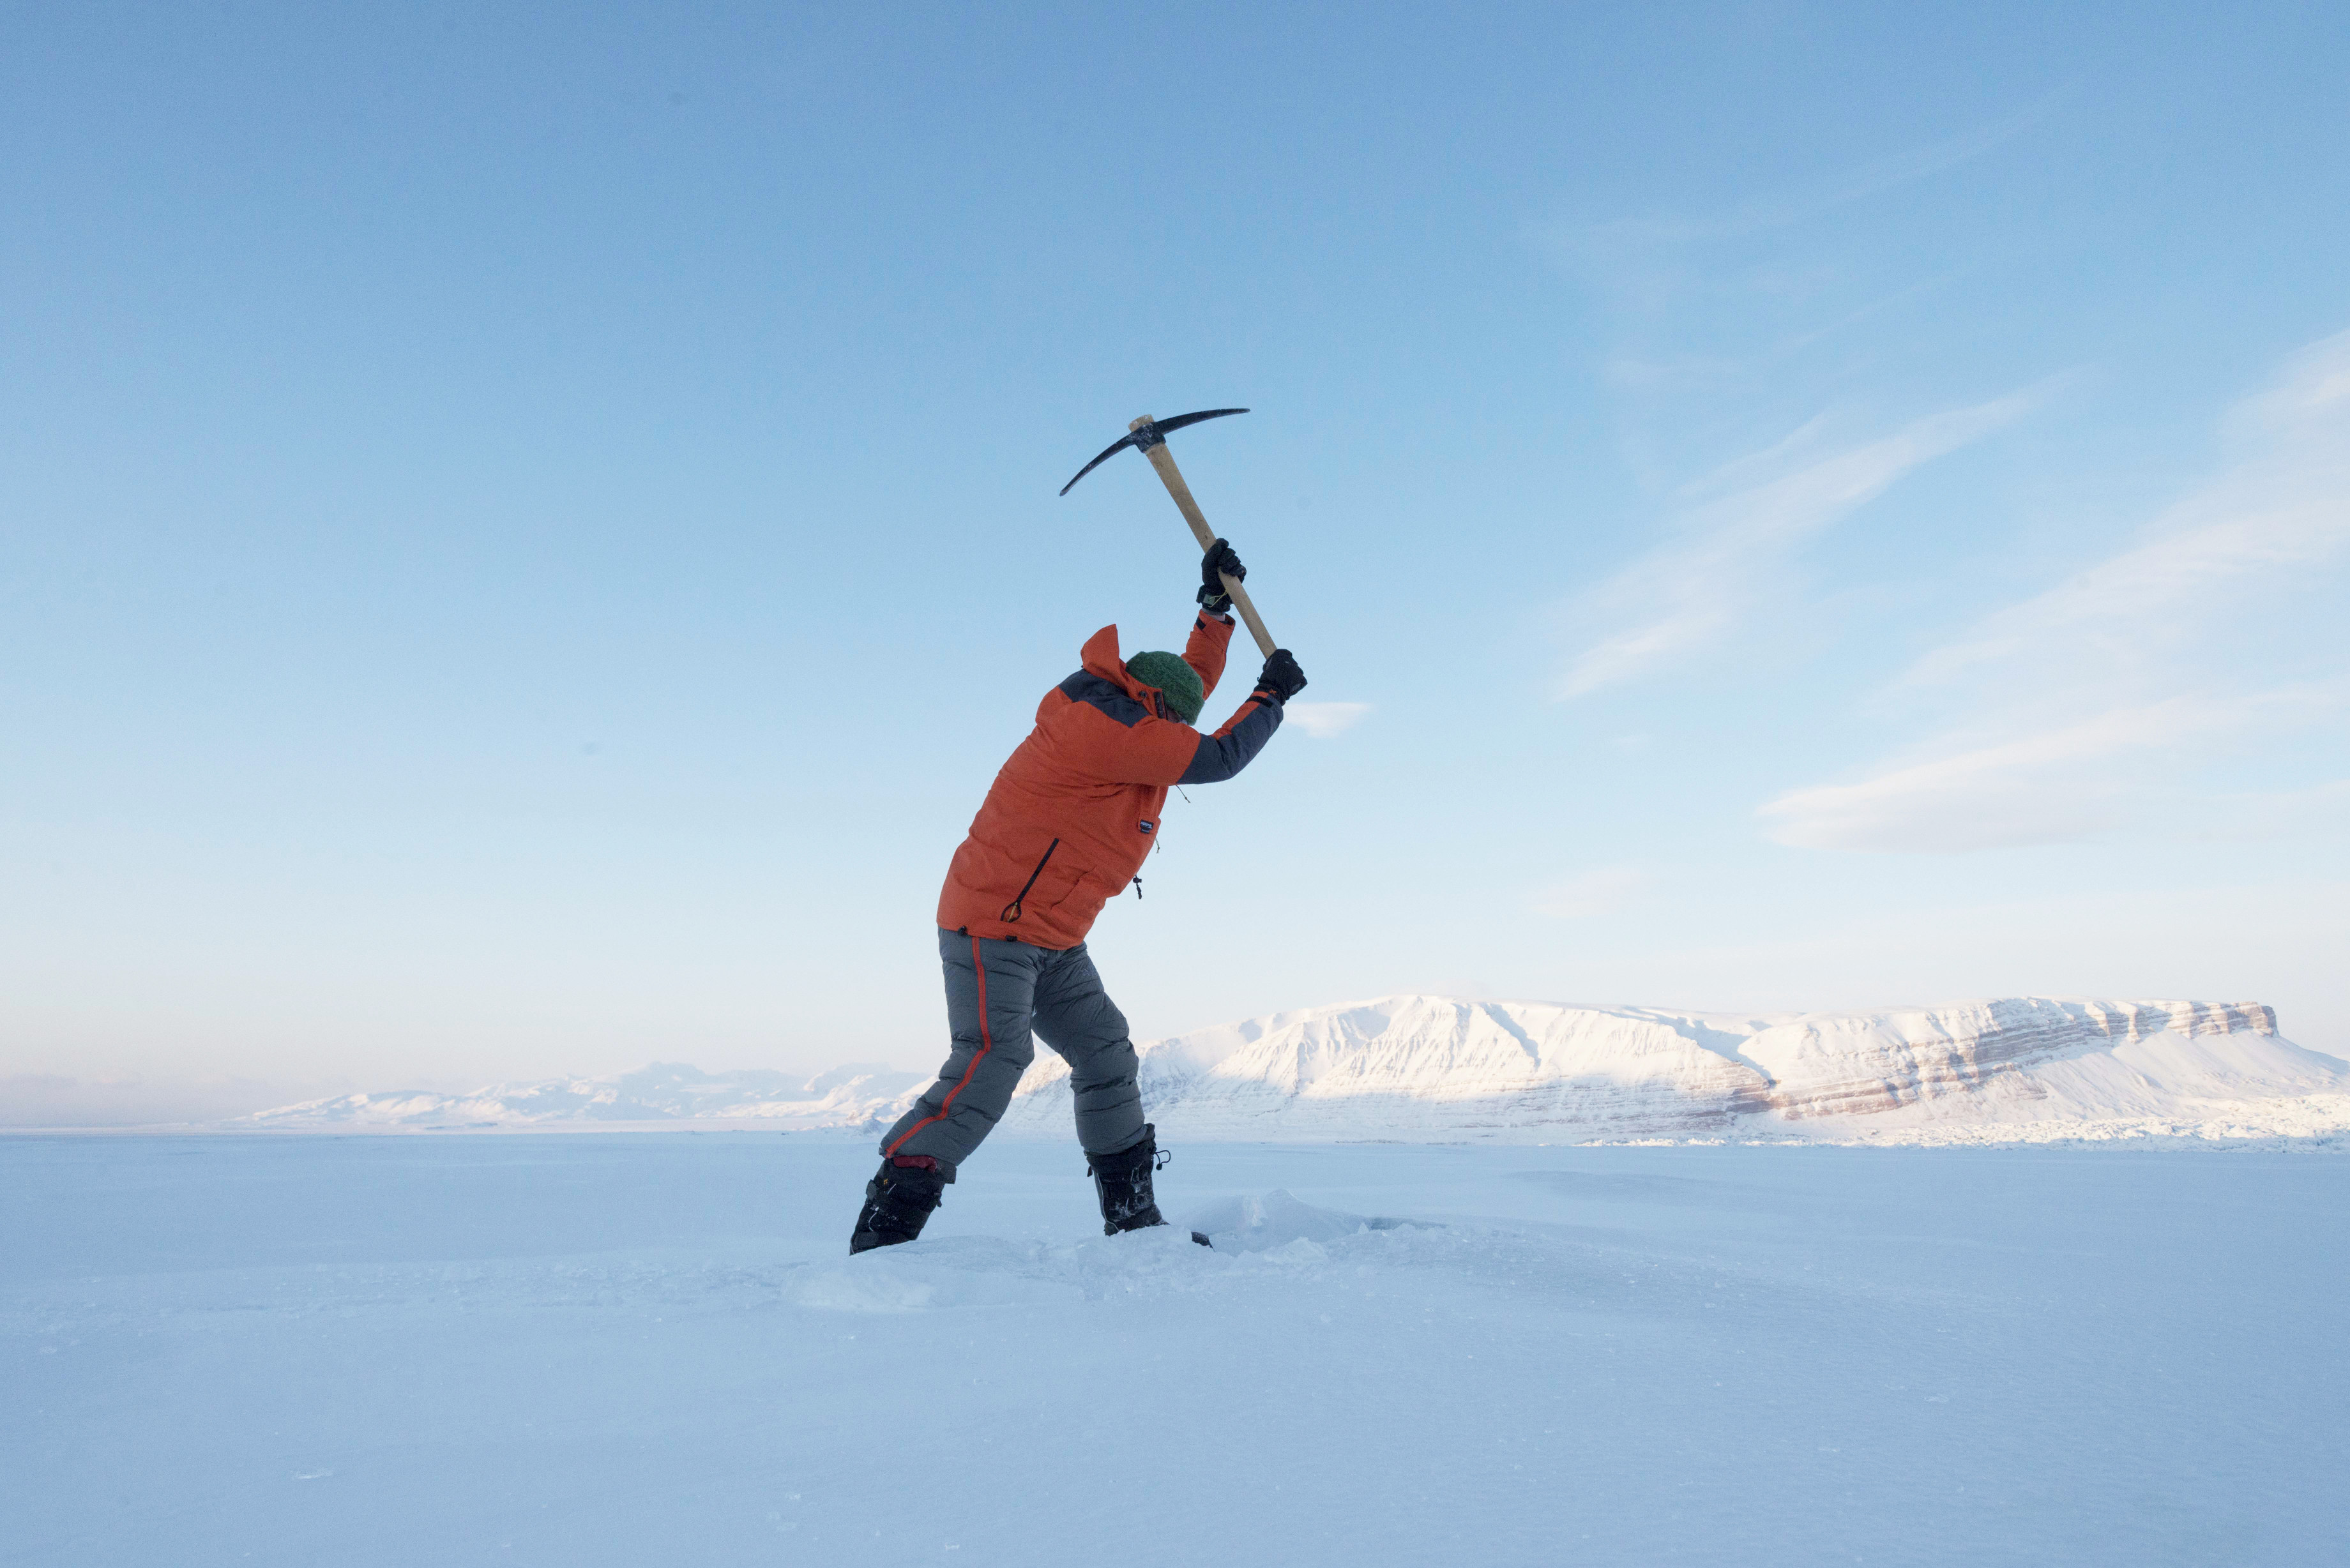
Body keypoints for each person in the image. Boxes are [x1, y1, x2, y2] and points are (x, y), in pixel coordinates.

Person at [849, 539, 1307, 1254]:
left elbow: (1185, 685)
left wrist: (1213, 613)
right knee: (991, 1060)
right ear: (1149, 711)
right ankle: (886, 1228)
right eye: (1170, 722)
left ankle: (1131, 1221)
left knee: (1104, 1053)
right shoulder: (1102, 732)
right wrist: (1270, 697)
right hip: (992, 924)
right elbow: (1218, 756)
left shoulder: (1129, 706)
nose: (1172, 736)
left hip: (1053, 936)